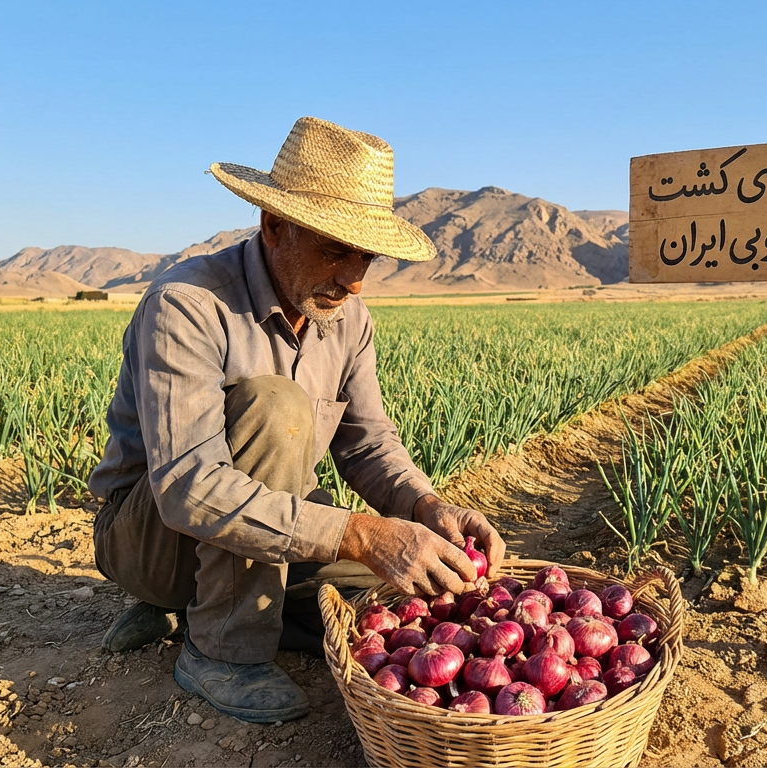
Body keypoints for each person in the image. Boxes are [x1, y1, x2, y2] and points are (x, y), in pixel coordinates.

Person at [87, 117, 506, 724]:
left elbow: (368, 444)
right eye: (336, 249)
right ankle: (219, 651)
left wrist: (424, 506)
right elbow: (188, 491)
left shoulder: (348, 316)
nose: (354, 277)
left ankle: (213, 606)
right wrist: (365, 533)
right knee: (277, 407)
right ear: (273, 226)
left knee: (384, 598)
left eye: (365, 255)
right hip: (152, 538)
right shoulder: (189, 305)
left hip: (261, 521)